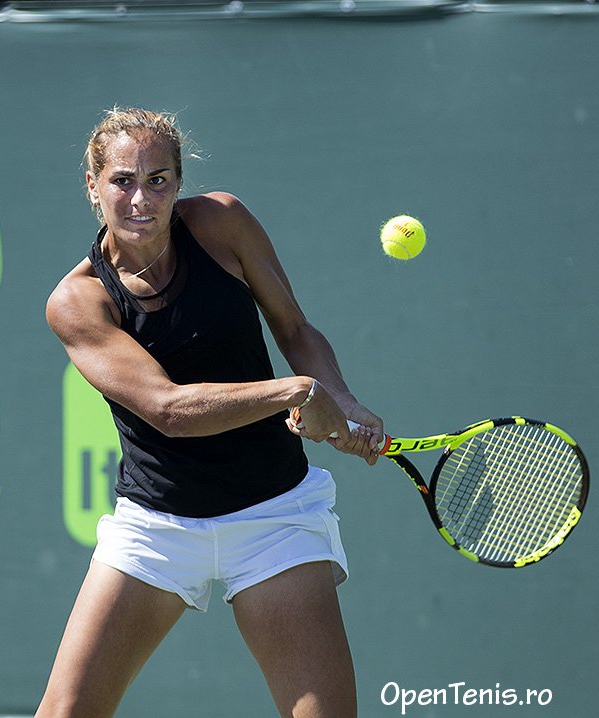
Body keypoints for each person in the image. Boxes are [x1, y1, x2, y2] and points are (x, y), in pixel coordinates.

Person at [37, 107, 384, 718]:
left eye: (159, 179)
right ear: (92, 186)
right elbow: (169, 409)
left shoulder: (223, 222)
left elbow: (295, 326)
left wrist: (344, 402)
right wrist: (298, 393)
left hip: (275, 515)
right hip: (158, 526)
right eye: (122, 180)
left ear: (179, 181)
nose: (141, 198)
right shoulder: (78, 302)